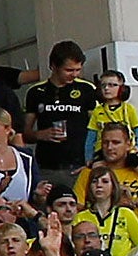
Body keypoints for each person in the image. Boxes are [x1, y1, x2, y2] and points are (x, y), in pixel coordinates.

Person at [25, 41, 97, 182]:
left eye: (78, 69)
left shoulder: (87, 89)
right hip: (46, 168)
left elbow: (99, 128)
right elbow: (25, 134)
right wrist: (40, 134)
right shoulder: (35, 92)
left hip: (79, 166)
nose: (74, 75)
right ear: (53, 66)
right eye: (69, 70)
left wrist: (93, 162)